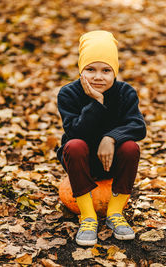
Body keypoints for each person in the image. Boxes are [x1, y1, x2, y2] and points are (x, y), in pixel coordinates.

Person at [56, 30, 146, 246]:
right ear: (81, 70)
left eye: (106, 70)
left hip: (113, 164)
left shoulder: (125, 93)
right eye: (90, 69)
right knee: (74, 145)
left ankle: (115, 213)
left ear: (115, 72)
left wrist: (111, 137)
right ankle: (88, 217)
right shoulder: (68, 94)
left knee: (131, 147)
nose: (98, 76)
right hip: (82, 164)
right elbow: (74, 131)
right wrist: (96, 103)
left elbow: (138, 126)